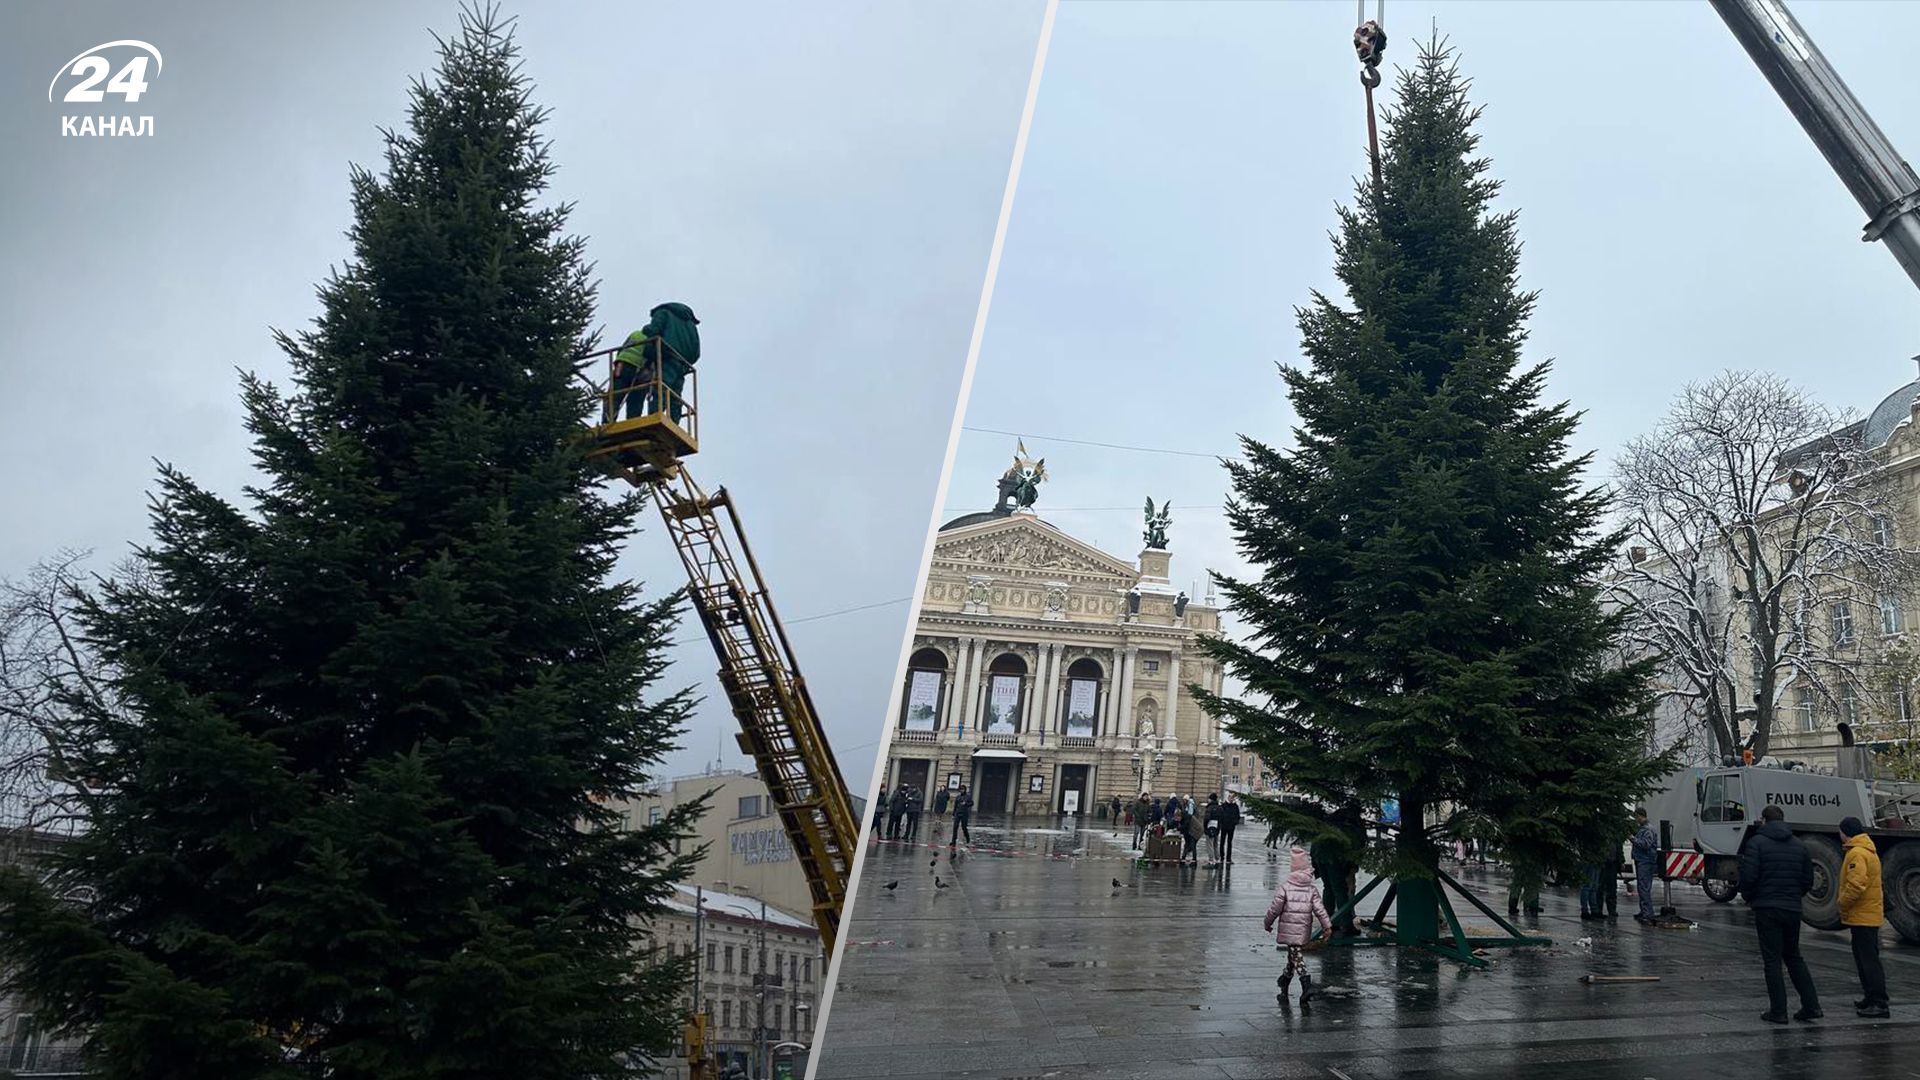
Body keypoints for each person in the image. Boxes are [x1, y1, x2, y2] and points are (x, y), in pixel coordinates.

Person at [1740, 804, 1821, 1024]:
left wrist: (1750, 898)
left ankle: (1778, 1011)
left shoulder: (1756, 843)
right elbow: (1808, 879)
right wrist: (1794, 895)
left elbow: (1748, 876)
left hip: (1767, 908)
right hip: (1792, 908)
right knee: (1794, 956)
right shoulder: (1799, 845)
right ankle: (1811, 1006)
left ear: (1764, 820)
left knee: (1772, 960)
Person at [1264, 847, 1334, 1008]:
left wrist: (1267, 923)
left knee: (1295, 953)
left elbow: (1274, 909)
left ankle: (1306, 985)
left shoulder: (1285, 888)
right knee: (1294, 954)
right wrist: (1327, 927)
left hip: (1288, 928)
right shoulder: (1311, 889)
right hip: (1303, 929)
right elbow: (1320, 910)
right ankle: (1285, 980)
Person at [1838, 816, 1890, 1018]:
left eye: (1840, 831)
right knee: (1864, 958)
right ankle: (1870, 997)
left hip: (1862, 915)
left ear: (1845, 832)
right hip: (1867, 914)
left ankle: (1879, 1002)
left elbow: (1856, 885)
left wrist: (1842, 903)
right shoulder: (1867, 850)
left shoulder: (1857, 853)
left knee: (1868, 961)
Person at [1630, 808, 1659, 922]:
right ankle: (1644, 911)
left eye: (1636, 817)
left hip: (1645, 861)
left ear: (1640, 816)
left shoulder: (1647, 829)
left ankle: (1647, 913)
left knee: (1644, 887)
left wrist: (1633, 839)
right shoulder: (1643, 828)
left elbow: (1645, 844)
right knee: (1642, 887)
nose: (1636, 820)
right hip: (1642, 860)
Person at [1218, 794, 1242, 864]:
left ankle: (1229, 858)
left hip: (1231, 827)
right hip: (1224, 826)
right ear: (1228, 798)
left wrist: (1235, 822)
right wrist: (1221, 823)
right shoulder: (1223, 805)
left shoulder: (1235, 806)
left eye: (1232, 798)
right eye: (1230, 797)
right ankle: (1222, 857)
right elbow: (1220, 815)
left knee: (1229, 842)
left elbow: (1238, 816)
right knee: (1222, 842)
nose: (1231, 799)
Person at [1204, 794, 1223, 864]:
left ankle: (1211, 859)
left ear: (1211, 799)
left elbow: (1206, 818)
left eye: (1209, 799)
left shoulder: (1209, 808)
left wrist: (1205, 826)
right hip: (1217, 828)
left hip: (1209, 828)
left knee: (1210, 844)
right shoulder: (1219, 808)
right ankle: (1217, 858)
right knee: (1215, 844)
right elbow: (1222, 818)